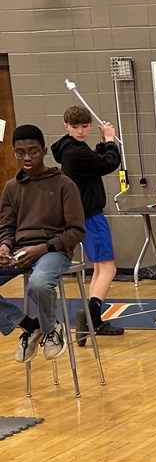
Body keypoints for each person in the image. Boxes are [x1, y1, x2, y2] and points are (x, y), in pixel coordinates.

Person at [1, 125, 86, 362]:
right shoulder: (11, 187)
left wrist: (44, 247)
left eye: (33, 151)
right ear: (14, 152)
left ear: (44, 151)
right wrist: (5, 246)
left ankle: (52, 330)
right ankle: (29, 326)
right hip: (20, 252)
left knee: (38, 284)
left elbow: (77, 231)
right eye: (20, 152)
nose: (27, 157)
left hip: (54, 250)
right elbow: (6, 228)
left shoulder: (64, 184)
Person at [51, 105, 125, 339]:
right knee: (109, 268)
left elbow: (95, 159)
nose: (81, 131)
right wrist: (111, 141)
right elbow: (108, 163)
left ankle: (92, 317)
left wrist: (103, 142)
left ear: (90, 126)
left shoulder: (69, 148)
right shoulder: (75, 153)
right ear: (66, 126)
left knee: (100, 268)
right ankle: (91, 318)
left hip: (82, 214)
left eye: (85, 126)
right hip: (89, 215)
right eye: (76, 127)